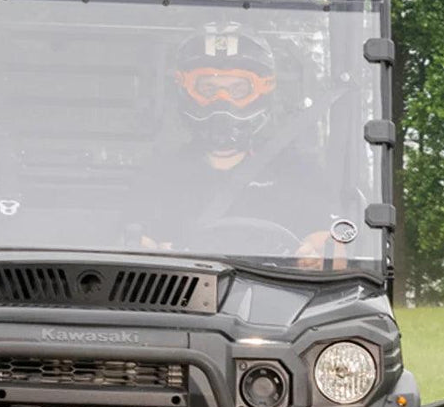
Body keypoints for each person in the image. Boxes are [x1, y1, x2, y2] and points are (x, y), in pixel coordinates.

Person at [140, 22, 353, 269]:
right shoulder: (161, 174)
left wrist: (314, 256)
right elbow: (134, 244)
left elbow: (333, 253)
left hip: (278, 290)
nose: (222, 101)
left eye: (238, 89)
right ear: (186, 89)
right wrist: (152, 253)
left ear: (263, 89)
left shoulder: (300, 173)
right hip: (183, 290)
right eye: (208, 88)